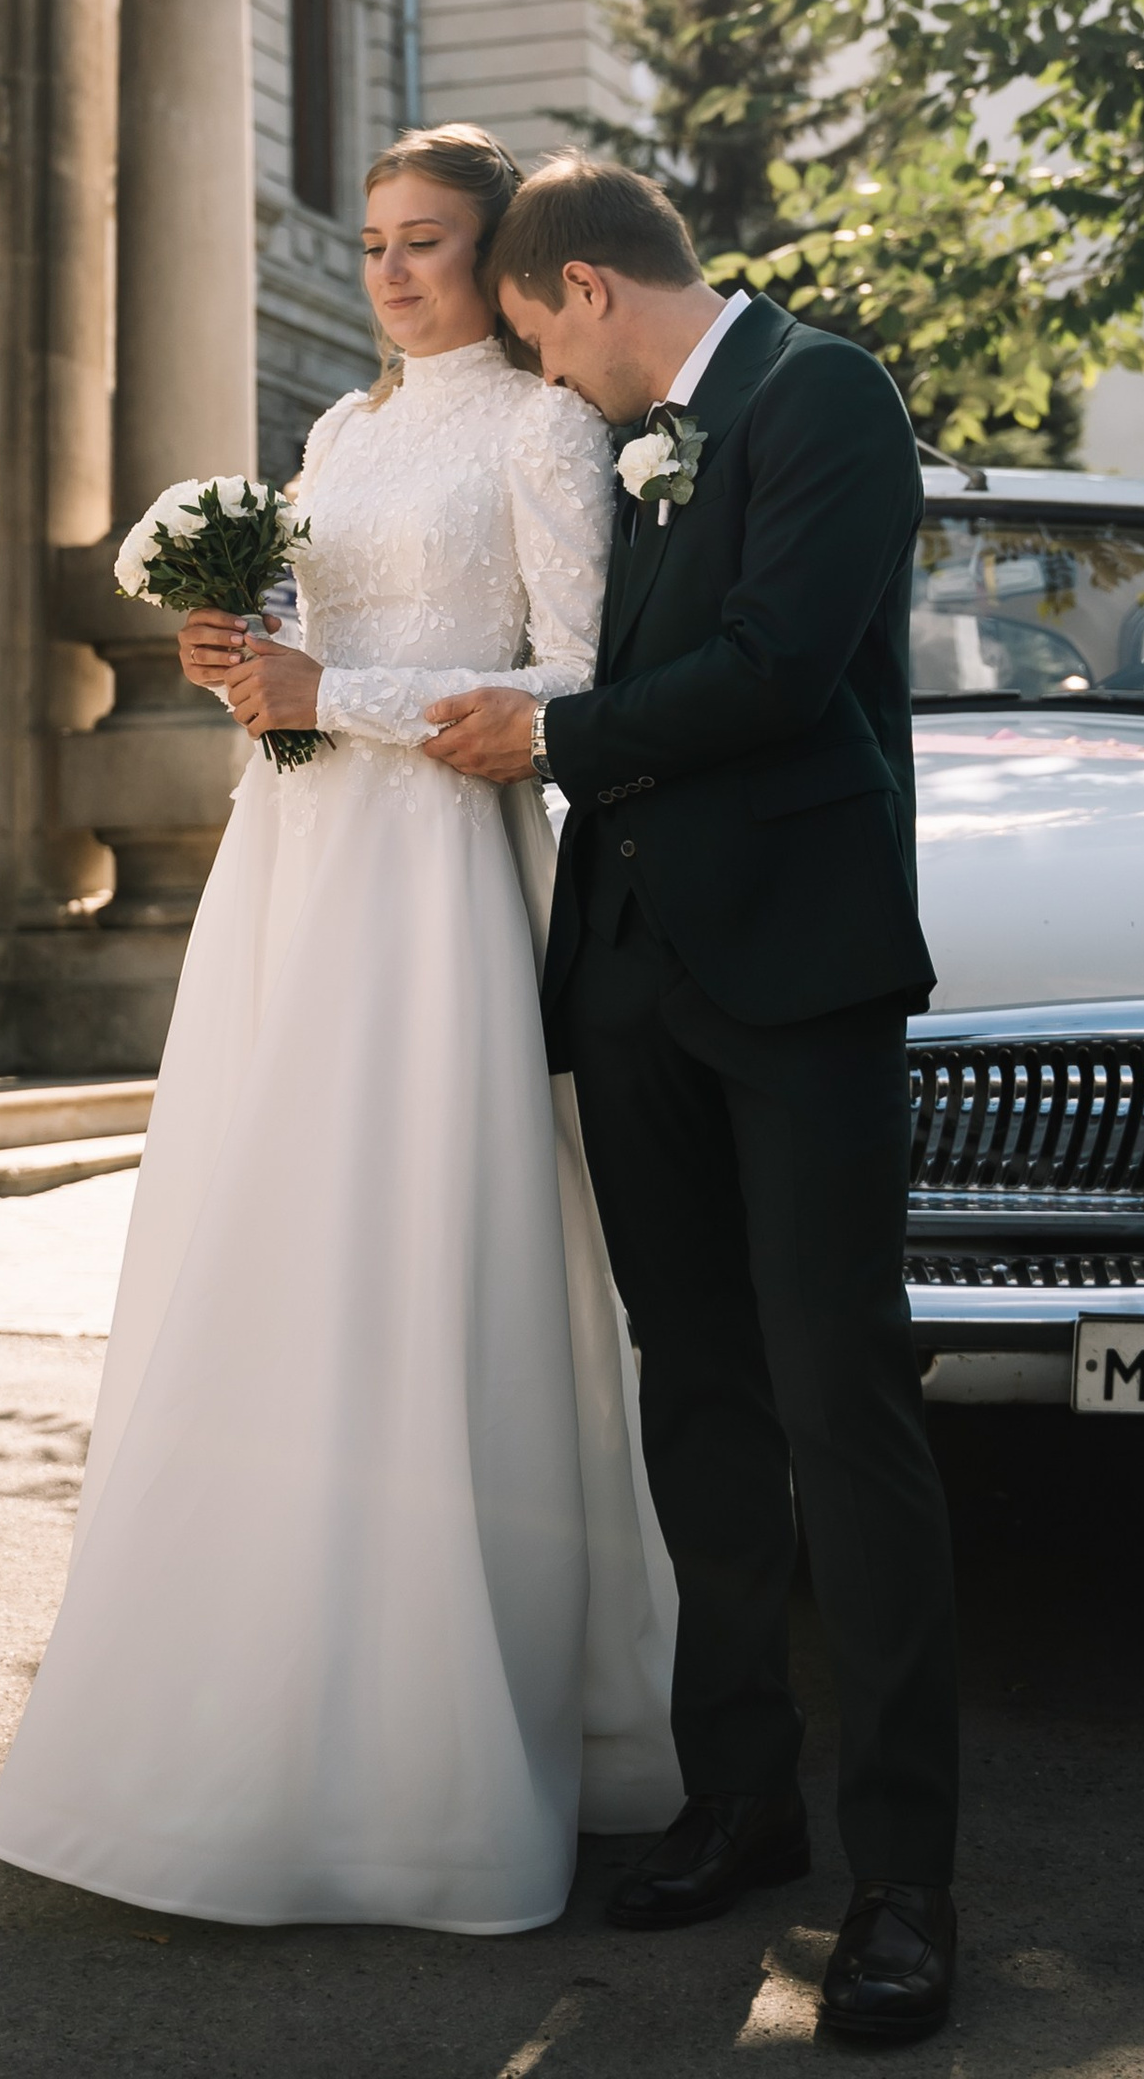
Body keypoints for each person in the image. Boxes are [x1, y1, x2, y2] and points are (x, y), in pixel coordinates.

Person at [0, 124, 679, 1932]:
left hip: (439, 874)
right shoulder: (340, 435)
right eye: (372, 241)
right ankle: (241, 1695)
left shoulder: (543, 429)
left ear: (497, 257)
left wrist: (339, 692)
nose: (389, 272)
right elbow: (302, 641)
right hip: (294, 858)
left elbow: (580, 680)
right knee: (269, 1233)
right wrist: (242, 661)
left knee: (418, 1241)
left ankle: (439, 1751)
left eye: (424, 240)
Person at [421, 153, 960, 2047]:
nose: (549, 383)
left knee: (844, 1408)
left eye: (540, 344)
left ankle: (906, 1879)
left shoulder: (826, 393)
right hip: (637, 980)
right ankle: (741, 1798)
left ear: (585, 287)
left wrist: (555, 733)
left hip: (800, 980)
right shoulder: (622, 441)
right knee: (701, 1405)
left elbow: (780, 671)